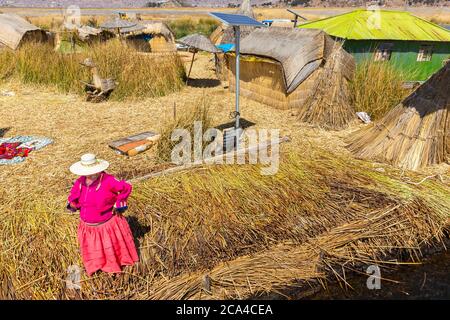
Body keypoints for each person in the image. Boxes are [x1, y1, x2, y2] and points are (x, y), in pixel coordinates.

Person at [67, 153, 139, 276]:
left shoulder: (108, 180)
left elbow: (126, 187)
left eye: (93, 171)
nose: (90, 174)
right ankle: (97, 265)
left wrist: (119, 203)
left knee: (109, 247)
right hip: (88, 226)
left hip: (105, 225)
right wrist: (73, 203)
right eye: (87, 171)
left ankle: (113, 267)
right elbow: (75, 195)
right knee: (95, 250)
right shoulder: (80, 182)